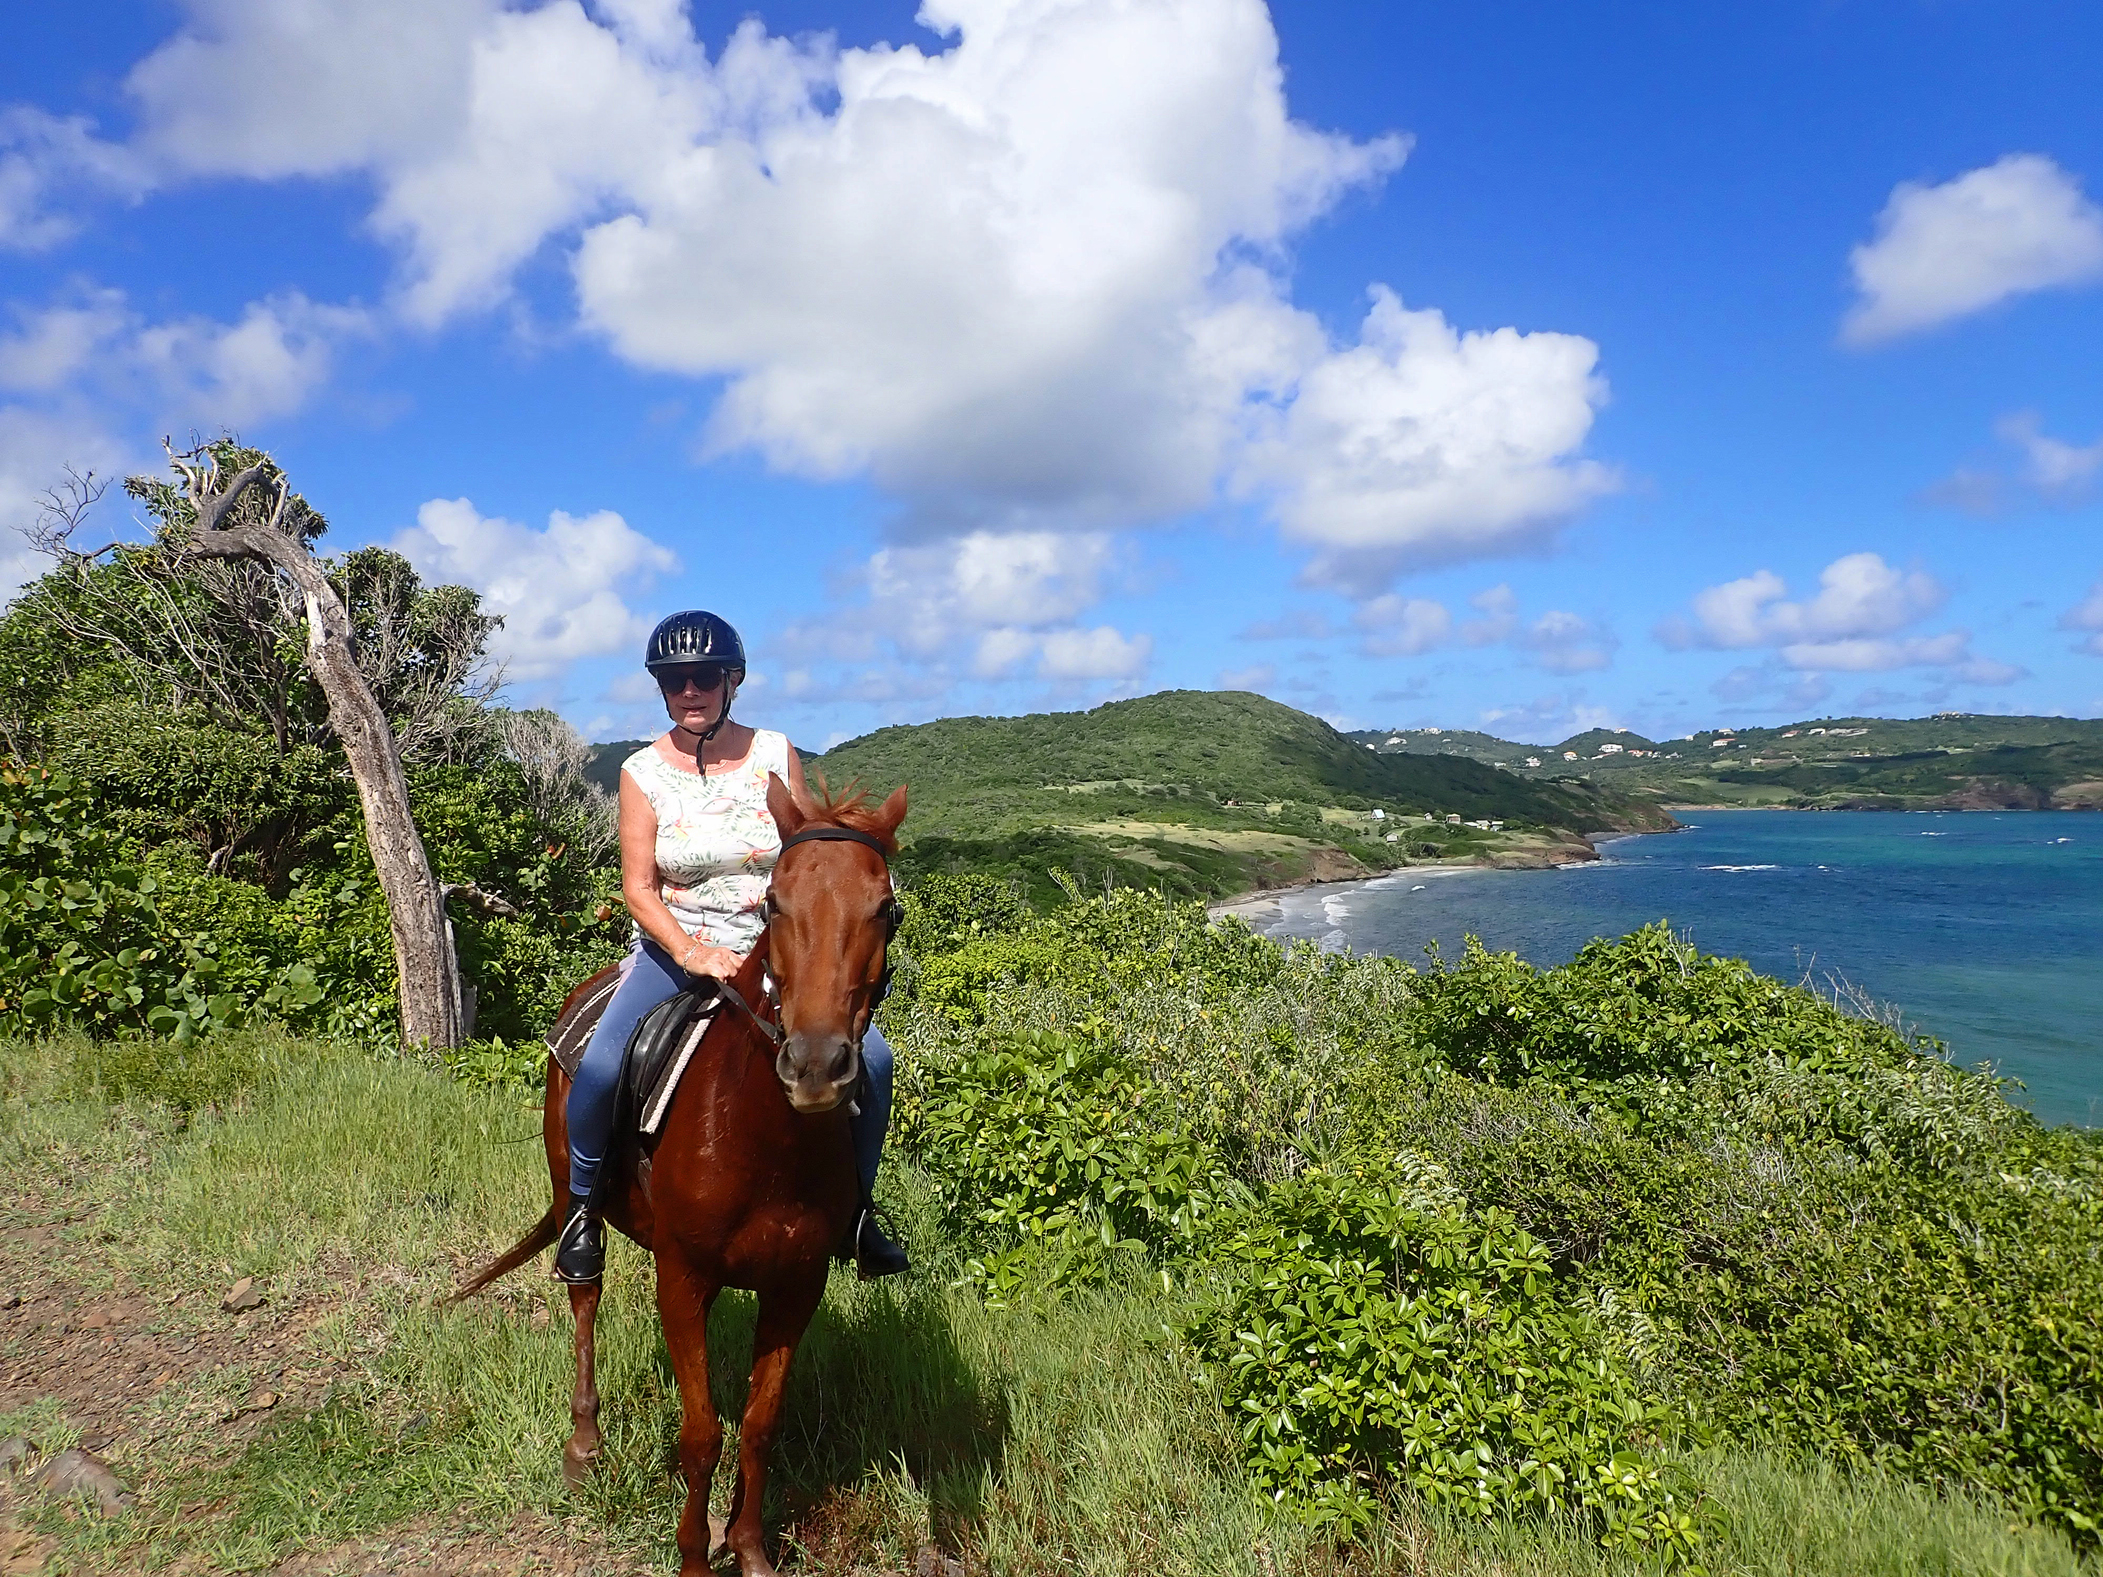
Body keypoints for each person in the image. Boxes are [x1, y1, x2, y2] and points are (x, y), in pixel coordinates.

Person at [555, 609, 908, 1284]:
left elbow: (812, 852)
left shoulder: (774, 752)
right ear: (662, 688)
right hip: (678, 948)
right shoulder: (641, 771)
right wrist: (691, 952)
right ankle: (582, 1209)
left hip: (778, 949)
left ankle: (858, 1213)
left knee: (879, 1060)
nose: (691, 691)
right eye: (676, 679)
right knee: (600, 1064)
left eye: (705, 677)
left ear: (731, 681)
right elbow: (638, 887)